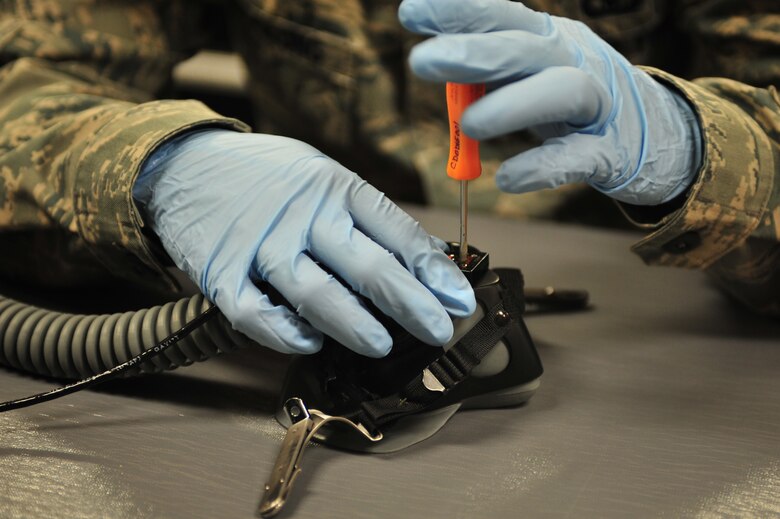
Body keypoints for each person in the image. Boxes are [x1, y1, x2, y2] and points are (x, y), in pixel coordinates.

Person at [0, 1, 776, 364]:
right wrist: (160, 164)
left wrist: (685, 146)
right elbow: (24, 76)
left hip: (657, 352)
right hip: (292, 340)